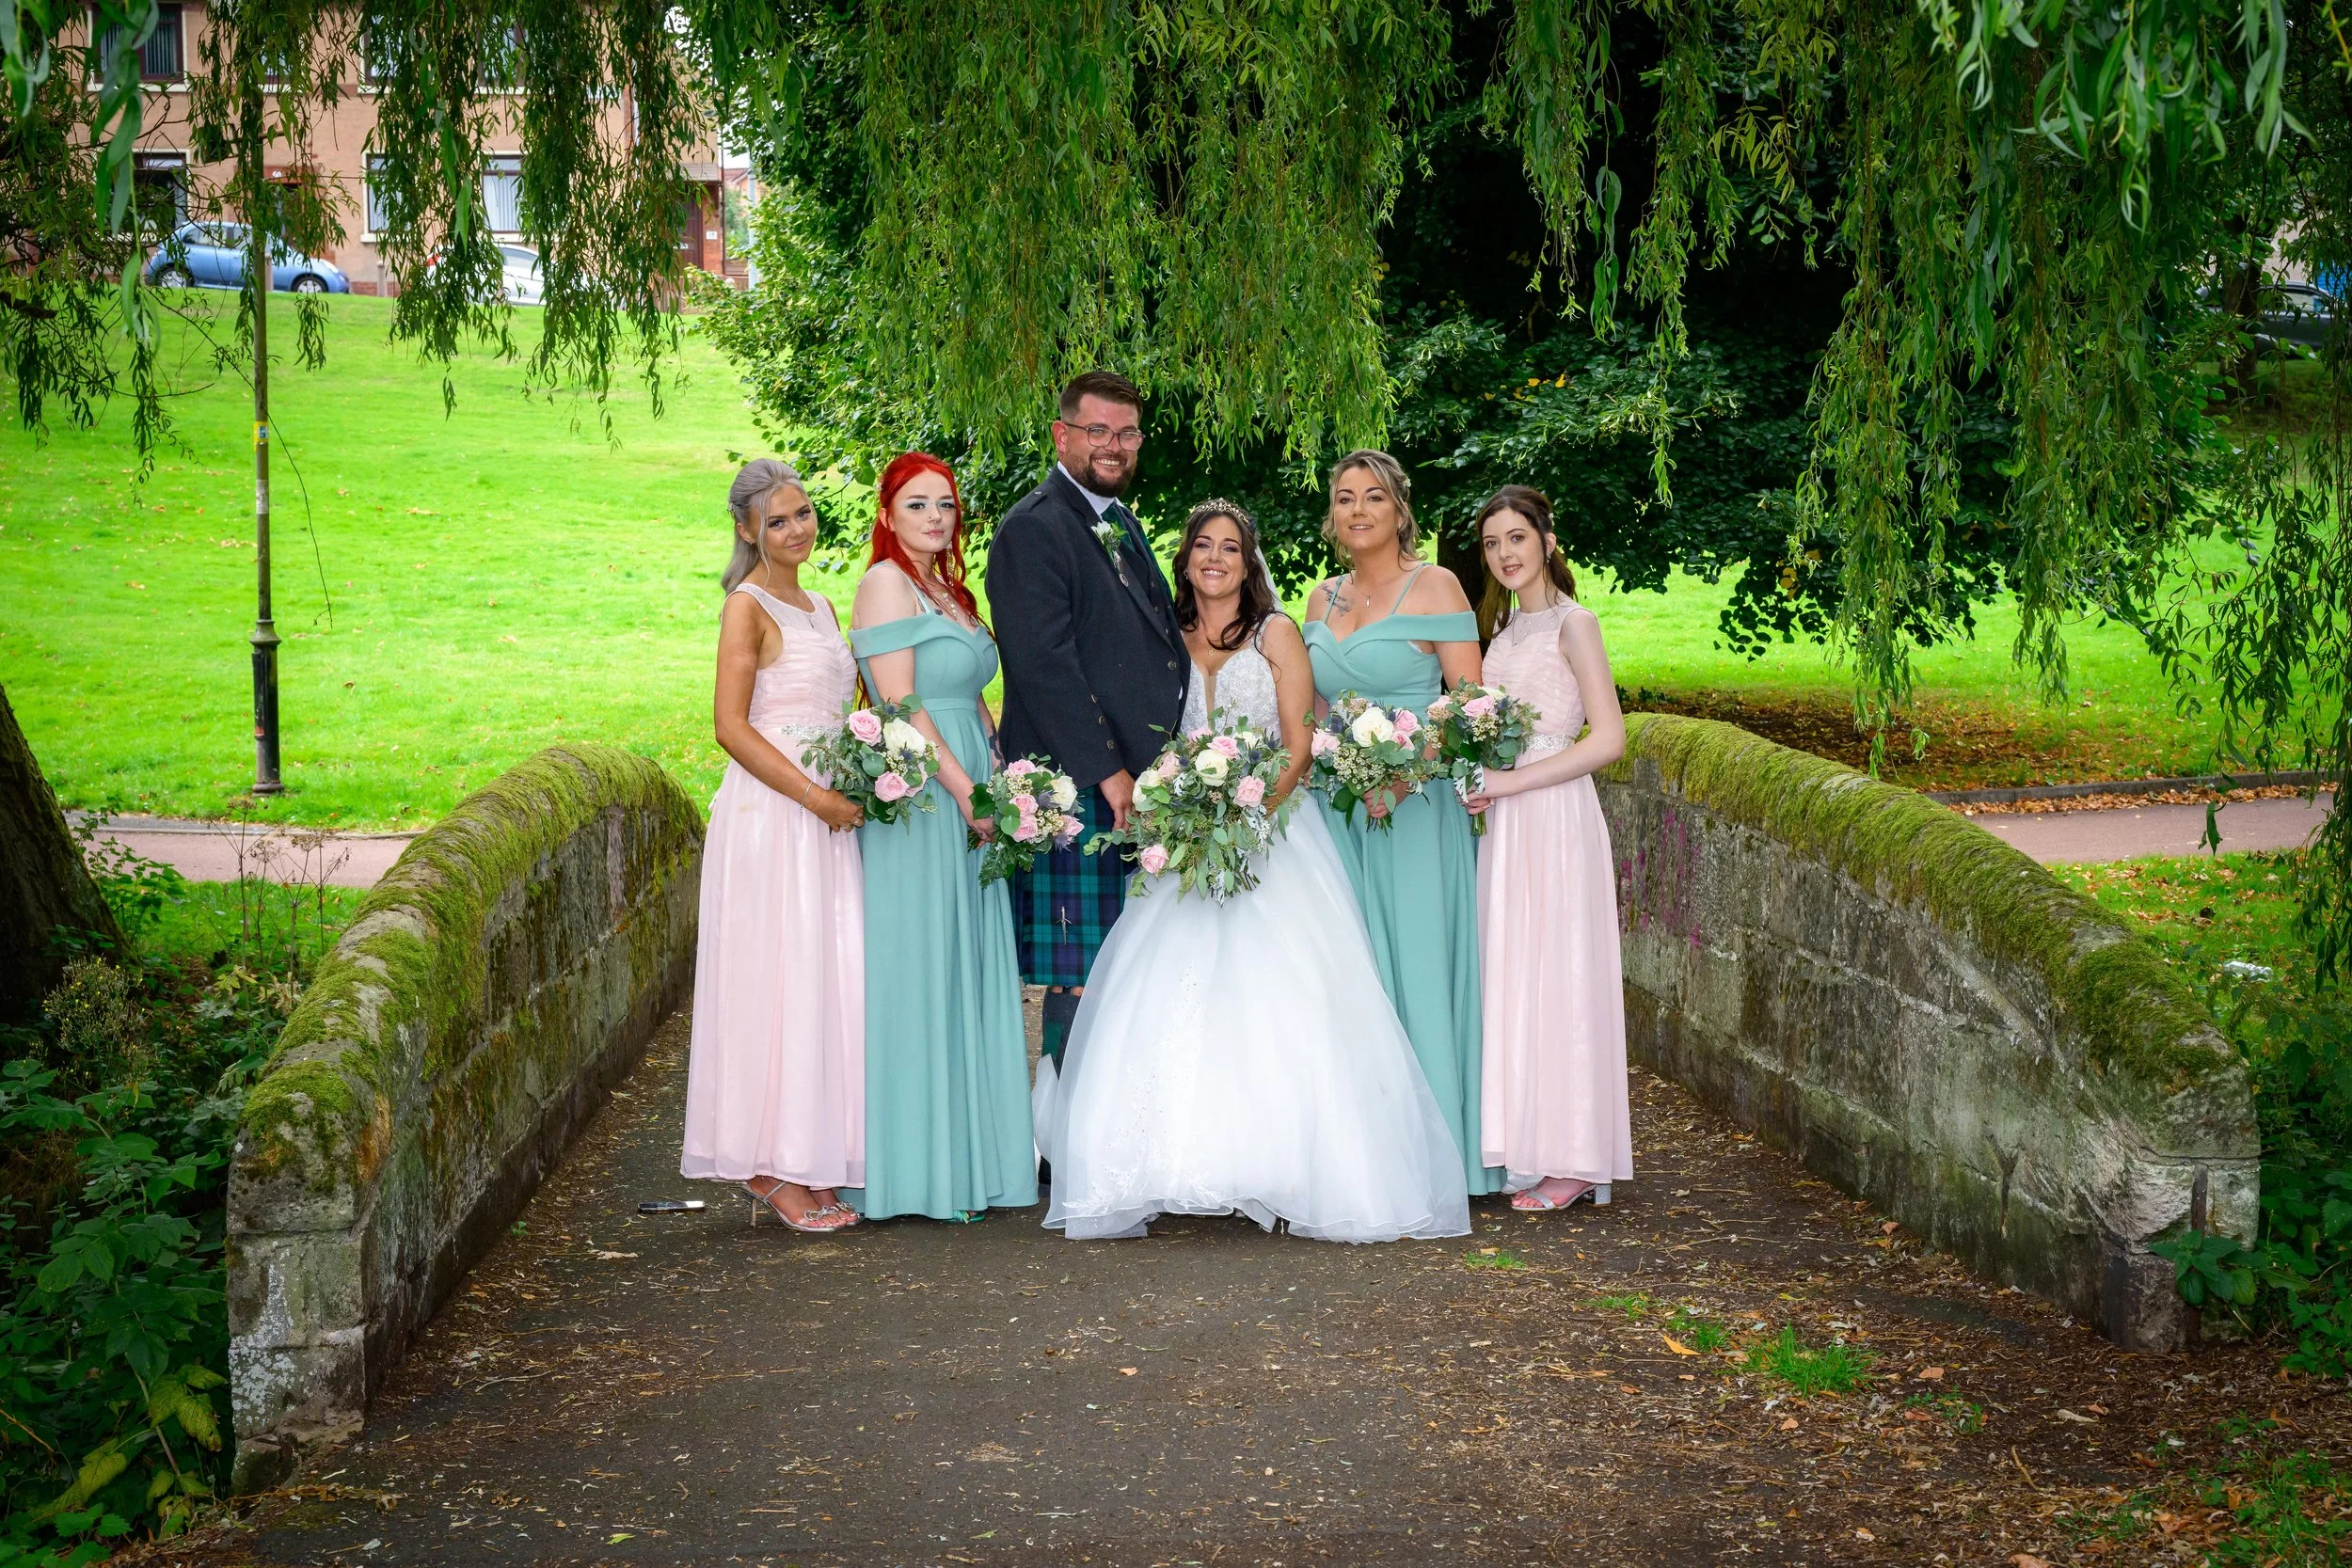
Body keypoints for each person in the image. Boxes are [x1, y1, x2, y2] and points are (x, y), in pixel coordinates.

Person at [1041, 501, 1470, 1243]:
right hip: (1188, 838)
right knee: (1170, 988)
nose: (1215, 558)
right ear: (1184, 561)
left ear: (1250, 561)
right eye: (1202, 546)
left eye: (1230, 547)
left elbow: (1299, 746)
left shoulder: (1276, 634)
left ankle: (1287, 1166)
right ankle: (1173, 1165)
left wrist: (1247, 821)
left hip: (1272, 831)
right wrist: (1180, 812)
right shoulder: (1165, 638)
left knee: (1284, 993)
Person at [1302, 451, 1502, 1198]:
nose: (1358, 510)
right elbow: (1313, 712)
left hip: (1416, 809)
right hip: (1338, 812)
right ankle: (1367, 1151)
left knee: (1415, 964)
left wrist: (1404, 771)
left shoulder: (1436, 585)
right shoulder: (1320, 601)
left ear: (1399, 509)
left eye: (1373, 497)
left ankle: (1439, 1155)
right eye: (1345, 497)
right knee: (1354, 971)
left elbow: (1473, 708)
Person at [844, 452, 1036, 1223]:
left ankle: (972, 1161)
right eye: (917, 505)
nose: (935, 518)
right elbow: (900, 704)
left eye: (946, 505)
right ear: (888, 516)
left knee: (966, 958)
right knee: (923, 960)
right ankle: (916, 1169)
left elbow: (970, 696)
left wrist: (1002, 772)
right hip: (922, 790)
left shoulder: (947, 591)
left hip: (968, 777)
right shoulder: (885, 583)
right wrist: (963, 788)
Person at [985, 371, 1188, 1079]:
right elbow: (1045, 667)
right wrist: (1110, 771)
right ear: (1061, 434)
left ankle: (1109, 1124)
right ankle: (1060, 1135)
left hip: (1127, 783)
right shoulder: (1033, 529)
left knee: (1124, 958)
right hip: (1079, 788)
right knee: (1080, 970)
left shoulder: (1114, 519)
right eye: (1097, 430)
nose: (1114, 445)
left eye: (1126, 432)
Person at [679, 459, 865, 1233]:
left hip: (827, 818)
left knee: (822, 976)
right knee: (771, 976)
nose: (797, 529)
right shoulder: (745, 608)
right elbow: (730, 725)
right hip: (775, 812)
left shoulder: (822, 604)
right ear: (748, 528)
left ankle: (807, 1154)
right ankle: (764, 1164)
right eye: (780, 519)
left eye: (805, 513)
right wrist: (816, 795)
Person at [1465, 486, 1633, 1211]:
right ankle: (1528, 1141)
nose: (1505, 553)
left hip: (1557, 817)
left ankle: (1577, 1155)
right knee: (1517, 972)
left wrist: (1513, 780)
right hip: (1508, 827)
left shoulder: (1576, 624)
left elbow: (1608, 738)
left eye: (1517, 538)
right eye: (1494, 542)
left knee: (1563, 973)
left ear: (1547, 541)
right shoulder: (1500, 639)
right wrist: (1478, 782)